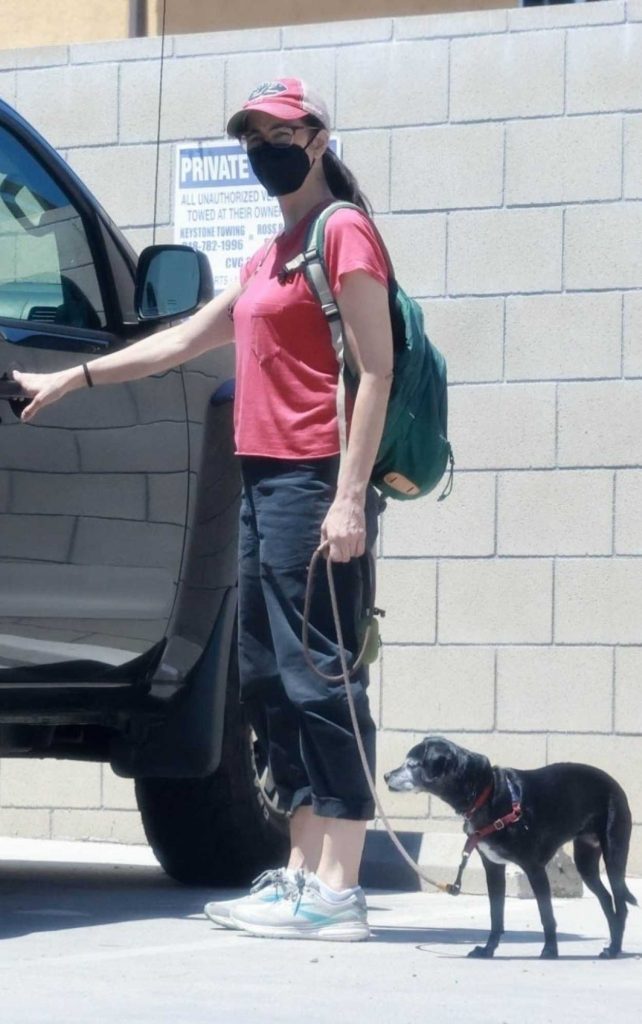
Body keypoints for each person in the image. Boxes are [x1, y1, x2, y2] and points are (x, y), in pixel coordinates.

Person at [13, 78, 393, 942]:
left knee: (319, 675)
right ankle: (299, 874)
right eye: (251, 134)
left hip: (314, 482)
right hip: (258, 481)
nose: (263, 147)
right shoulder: (271, 254)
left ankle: (341, 883)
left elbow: (375, 371)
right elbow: (181, 340)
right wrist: (68, 377)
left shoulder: (344, 235)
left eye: (276, 132)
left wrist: (348, 499)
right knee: (264, 679)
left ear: (317, 138)